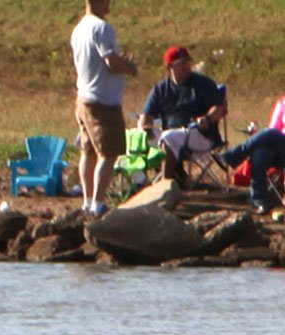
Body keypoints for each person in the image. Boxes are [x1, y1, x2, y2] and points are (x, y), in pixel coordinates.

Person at [69, 0, 136, 217]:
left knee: (88, 151)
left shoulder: (79, 28)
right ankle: (98, 203)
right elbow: (110, 62)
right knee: (109, 153)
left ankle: (87, 202)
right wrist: (128, 68)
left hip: (83, 97)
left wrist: (117, 61)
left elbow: (97, 60)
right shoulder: (102, 27)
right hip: (103, 101)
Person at [137, 45, 227, 182]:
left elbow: (219, 109)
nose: (186, 66)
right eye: (181, 64)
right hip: (171, 134)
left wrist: (207, 119)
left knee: (169, 137)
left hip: (200, 134)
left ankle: (165, 184)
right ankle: (140, 183)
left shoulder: (203, 83)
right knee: (138, 138)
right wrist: (144, 126)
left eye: (187, 62)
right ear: (169, 67)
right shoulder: (160, 89)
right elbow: (146, 116)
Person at [215, 128, 285, 216]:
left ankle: (230, 157)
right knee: (260, 154)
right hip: (275, 148)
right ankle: (261, 201)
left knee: (271, 133)